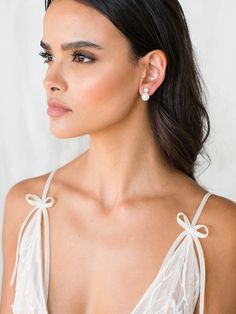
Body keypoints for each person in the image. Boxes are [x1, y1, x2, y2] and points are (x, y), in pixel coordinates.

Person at [1, 0, 236, 313]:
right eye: (49, 55)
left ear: (150, 72)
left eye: (81, 57)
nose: (51, 80)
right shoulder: (27, 207)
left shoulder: (216, 232)